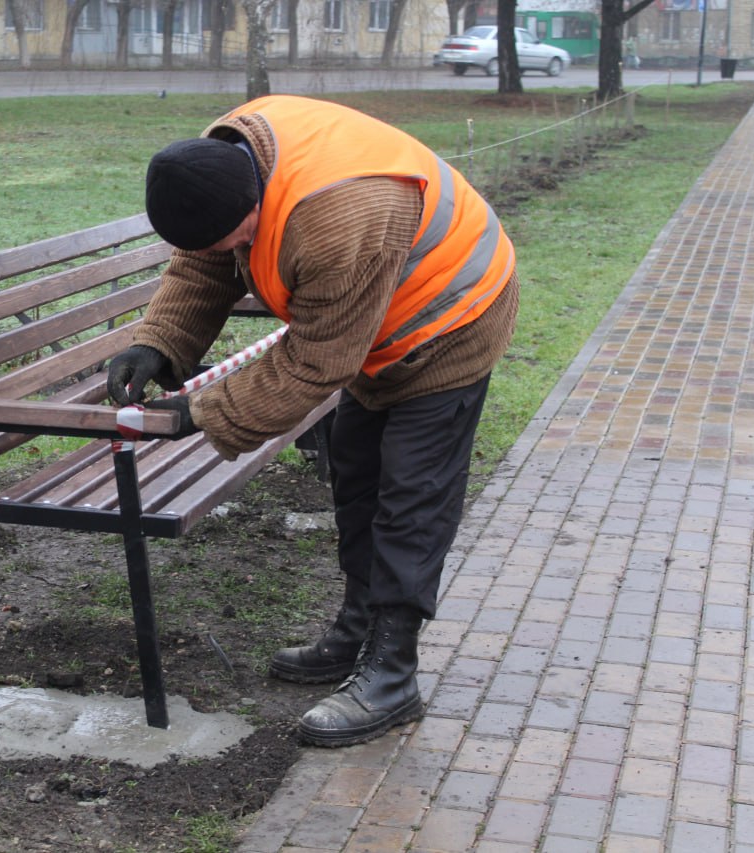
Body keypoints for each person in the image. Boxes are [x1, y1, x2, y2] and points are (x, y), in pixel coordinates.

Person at [106, 94, 519, 747]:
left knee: (411, 494)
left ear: (255, 204)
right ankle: (358, 630)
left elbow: (311, 365)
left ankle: (392, 675)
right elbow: (206, 260)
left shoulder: (336, 218)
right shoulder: (225, 162)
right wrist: (160, 340)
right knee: (357, 471)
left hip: (452, 313)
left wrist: (200, 411)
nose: (232, 251)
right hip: (372, 316)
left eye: (237, 237)